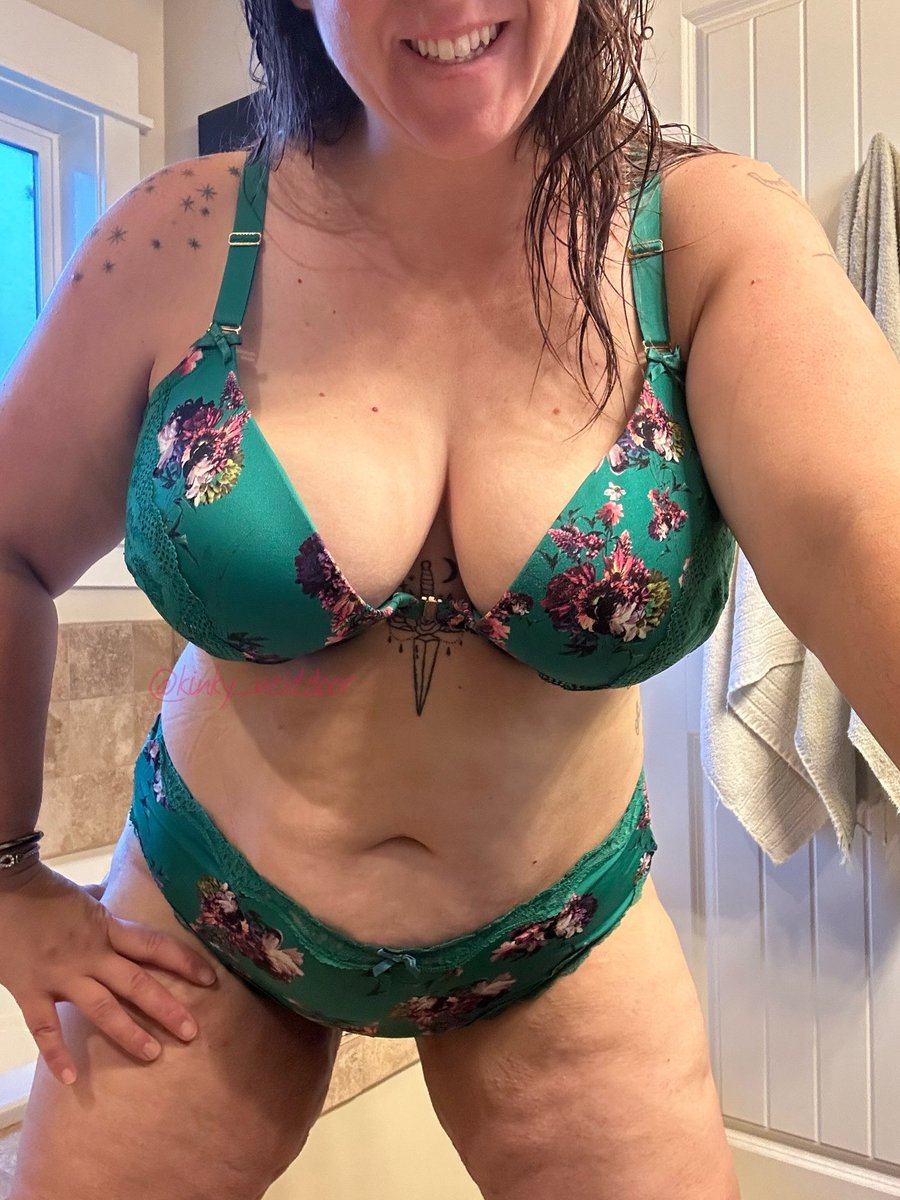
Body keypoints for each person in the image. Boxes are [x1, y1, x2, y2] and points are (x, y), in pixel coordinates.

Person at [3, 1, 898, 1197]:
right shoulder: (180, 237)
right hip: (203, 921)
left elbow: (854, 534)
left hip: (556, 943)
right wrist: (6, 880)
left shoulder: (706, 241)